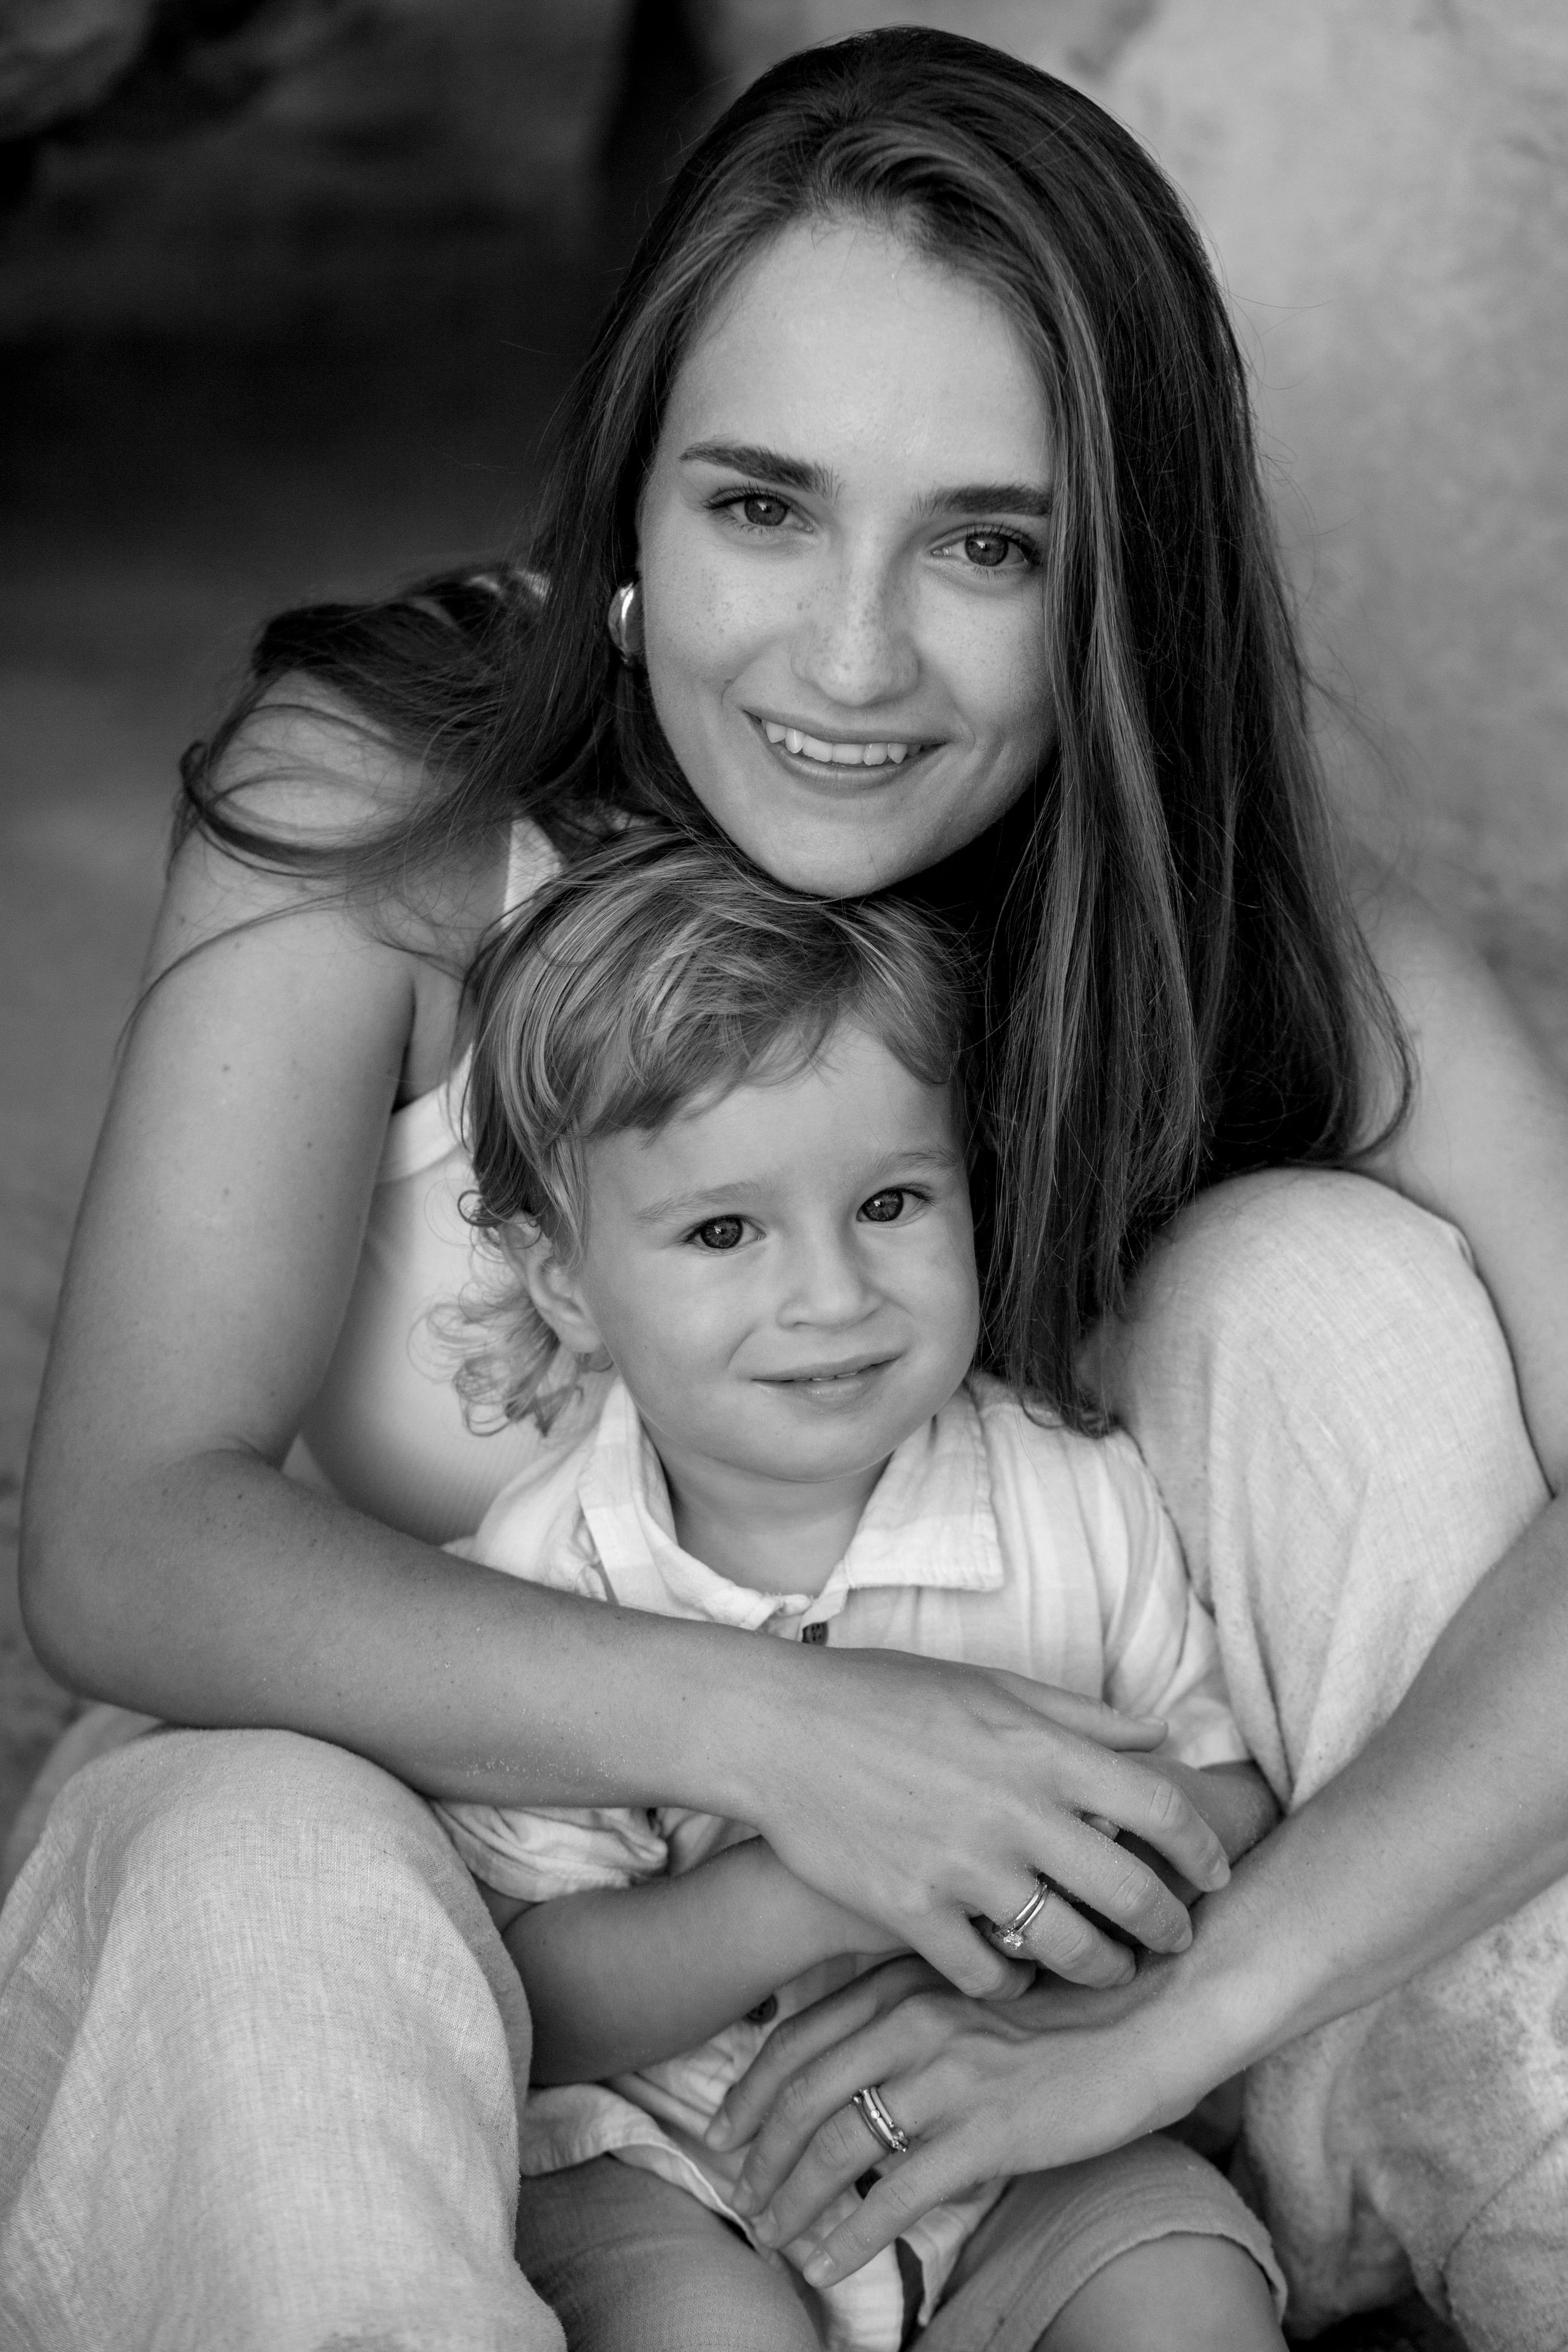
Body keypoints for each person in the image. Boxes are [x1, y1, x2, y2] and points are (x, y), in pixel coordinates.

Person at [2, 23, 1565, 2351]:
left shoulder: (1234, 905)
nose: (852, 656)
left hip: (1053, 2040)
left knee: (1330, 1286)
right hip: (429, 1973)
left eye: (988, 545)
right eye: (762, 506)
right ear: (631, 510)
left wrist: (1182, 2009)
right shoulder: (394, 805)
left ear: (1117, 588)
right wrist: (787, 1739)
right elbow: (123, 1539)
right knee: (260, 1848)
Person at [429, 829, 1286, 2350]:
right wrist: (808, 1889)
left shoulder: (1069, 1488)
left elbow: (1227, 1790)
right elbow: (536, 2004)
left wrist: (1066, 1875)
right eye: (722, 1231)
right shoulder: (550, 1573)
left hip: (1029, 2130)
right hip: (681, 2157)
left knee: (1182, 2294)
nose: (831, 1295)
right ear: (564, 1281)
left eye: (891, 1204)